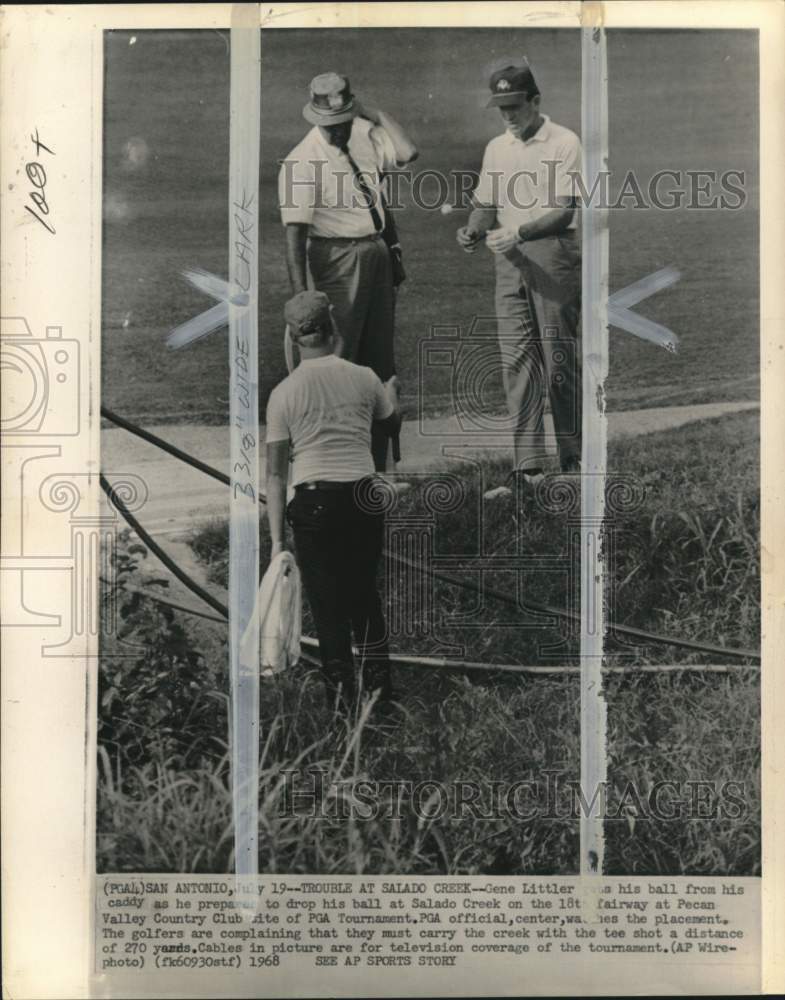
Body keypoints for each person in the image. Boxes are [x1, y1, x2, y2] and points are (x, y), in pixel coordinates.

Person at [265, 290, 401, 711]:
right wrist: (394, 394)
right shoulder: (364, 377)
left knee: (327, 608)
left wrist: (276, 542)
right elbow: (389, 424)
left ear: (291, 338)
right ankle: (381, 702)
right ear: (333, 328)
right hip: (363, 496)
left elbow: (275, 474)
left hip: (314, 502)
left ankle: (343, 711)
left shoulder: (284, 394)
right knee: (364, 599)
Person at [278, 71, 418, 471]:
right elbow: (295, 236)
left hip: (376, 253)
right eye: (329, 125)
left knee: (379, 366)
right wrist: (302, 299)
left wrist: (373, 113)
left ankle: (376, 472)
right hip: (336, 261)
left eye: (343, 121)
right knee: (337, 364)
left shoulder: (362, 132)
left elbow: (408, 153)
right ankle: (331, 466)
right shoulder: (301, 161)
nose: (337, 131)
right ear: (314, 119)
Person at [456, 61, 582, 485]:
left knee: (558, 356)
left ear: (535, 101)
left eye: (514, 105)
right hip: (508, 257)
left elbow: (565, 208)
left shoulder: (564, 142)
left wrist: (519, 232)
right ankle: (528, 464)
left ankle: (573, 455)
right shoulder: (497, 147)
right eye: (501, 107)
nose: (508, 115)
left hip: (552, 251)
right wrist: (473, 229)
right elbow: (485, 202)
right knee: (518, 359)